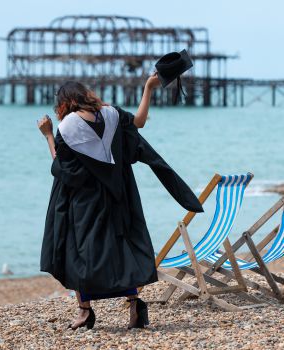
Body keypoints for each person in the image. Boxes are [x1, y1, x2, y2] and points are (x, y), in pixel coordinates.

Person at [37, 75, 203, 330]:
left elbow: (64, 169)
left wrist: (48, 135)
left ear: (65, 103)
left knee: (79, 252)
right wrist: (148, 87)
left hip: (86, 202)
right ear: (86, 94)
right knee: (121, 248)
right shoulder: (111, 114)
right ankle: (135, 305)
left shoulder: (67, 127)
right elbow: (139, 123)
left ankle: (85, 312)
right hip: (119, 196)